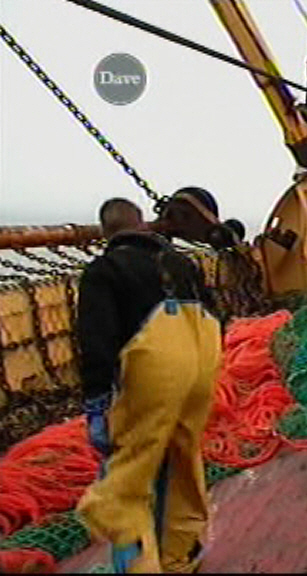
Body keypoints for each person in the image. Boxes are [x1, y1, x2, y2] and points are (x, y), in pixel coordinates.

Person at [75, 189, 223, 573]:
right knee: (182, 461)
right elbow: (215, 313)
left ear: (107, 233)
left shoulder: (104, 270)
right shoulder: (181, 263)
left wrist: (97, 403)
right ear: (141, 223)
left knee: (126, 478)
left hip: (158, 369)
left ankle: (139, 567)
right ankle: (181, 557)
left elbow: (96, 341)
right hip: (202, 360)